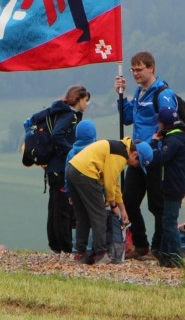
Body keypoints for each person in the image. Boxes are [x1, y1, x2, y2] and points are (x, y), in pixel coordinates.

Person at [114, 51, 178, 260]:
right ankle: (141, 246)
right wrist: (121, 96)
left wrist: (154, 144)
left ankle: (158, 248)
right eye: (132, 70)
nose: (135, 73)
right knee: (129, 200)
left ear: (151, 68)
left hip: (155, 157)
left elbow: (169, 122)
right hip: (137, 156)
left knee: (157, 205)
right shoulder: (139, 91)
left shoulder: (162, 93)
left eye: (139, 69)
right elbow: (128, 119)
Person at [66, 137, 146, 265]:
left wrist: (123, 210)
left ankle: (80, 254)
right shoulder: (120, 155)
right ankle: (101, 255)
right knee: (99, 216)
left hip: (73, 170)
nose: (135, 166)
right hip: (87, 174)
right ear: (134, 154)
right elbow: (109, 184)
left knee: (82, 216)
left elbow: (115, 184)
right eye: (138, 163)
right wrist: (113, 205)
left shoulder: (118, 147)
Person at [31, 85, 89, 254]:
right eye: (85, 100)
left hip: (53, 167)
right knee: (63, 208)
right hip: (60, 167)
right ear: (79, 99)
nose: (86, 104)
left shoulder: (61, 112)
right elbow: (57, 135)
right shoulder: (69, 115)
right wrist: (72, 151)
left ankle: (55, 244)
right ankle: (65, 246)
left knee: (55, 207)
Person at [149, 106, 185, 268]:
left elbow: (159, 159)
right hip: (178, 183)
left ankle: (175, 257)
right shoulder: (181, 137)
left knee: (169, 222)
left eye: (159, 123)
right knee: (167, 219)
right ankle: (165, 257)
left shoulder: (173, 142)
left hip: (173, 185)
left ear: (164, 124)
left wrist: (154, 143)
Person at [64, 119, 98, 261]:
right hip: (93, 189)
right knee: (97, 218)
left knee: (81, 219)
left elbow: (66, 174)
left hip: (75, 190)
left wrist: (69, 193)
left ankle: (80, 250)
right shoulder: (95, 151)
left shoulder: (72, 152)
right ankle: (96, 250)